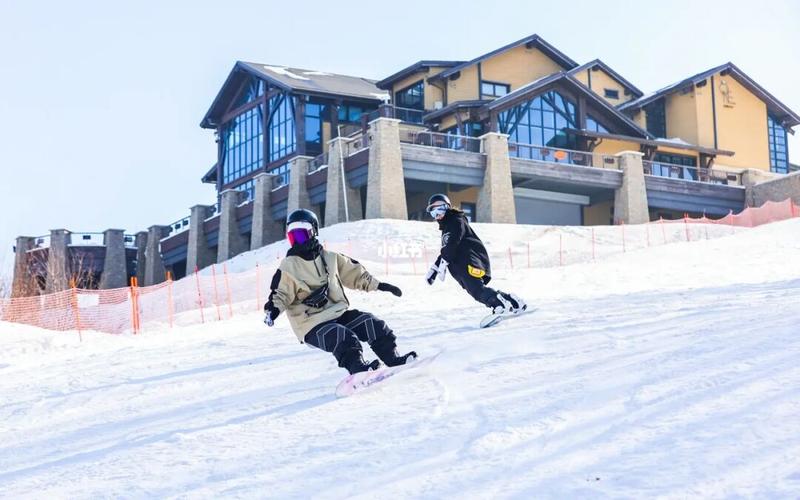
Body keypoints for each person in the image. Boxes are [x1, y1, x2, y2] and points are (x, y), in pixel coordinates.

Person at [264, 209, 417, 374]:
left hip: (337, 314)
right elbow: (280, 293)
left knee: (371, 323)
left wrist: (379, 285)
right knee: (342, 337)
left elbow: (355, 274)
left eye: (301, 235)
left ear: (313, 232)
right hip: (310, 324)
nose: (297, 242)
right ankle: (359, 369)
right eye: (293, 238)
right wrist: (272, 310)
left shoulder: (330, 258)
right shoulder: (289, 266)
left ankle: (393, 359)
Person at [424, 194, 526, 316]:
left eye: (440, 209)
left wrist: (444, 260)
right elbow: (447, 249)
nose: (437, 214)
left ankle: (500, 305)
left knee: (477, 290)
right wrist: (435, 268)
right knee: (477, 290)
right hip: (462, 265)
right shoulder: (448, 226)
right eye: (433, 212)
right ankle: (513, 302)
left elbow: (453, 242)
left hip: (468, 261)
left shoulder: (456, 221)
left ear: (447, 207)